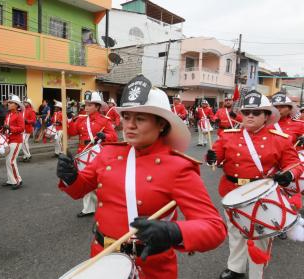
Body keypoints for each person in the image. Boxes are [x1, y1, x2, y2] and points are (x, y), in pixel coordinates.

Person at [57, 75, 227, 278]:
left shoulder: (178, 166)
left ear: (162, 124)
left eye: (140, 118)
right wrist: (70, 176)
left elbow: (214, 227)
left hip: (150, 266)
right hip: (102, 257)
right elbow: (79, 190)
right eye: (127, 117)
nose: (129, 125)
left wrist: (173, 231)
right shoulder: (108, 153)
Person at [206, 90, 303, 279]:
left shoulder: (279, 139)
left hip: (261, 195)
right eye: (246, 112)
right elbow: (216, 160)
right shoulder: (228, 135)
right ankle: (236, 268)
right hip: (232, 191)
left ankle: (256, 275)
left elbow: (295, 164)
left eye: (256, 112)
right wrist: (212, 159)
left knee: (260, 237)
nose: (250, 116)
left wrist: (289, 175)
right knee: (235, 232)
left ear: (266, 116)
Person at [67, 91, 118, 218]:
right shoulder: (80, 119)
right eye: (86, 105)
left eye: (90, 105)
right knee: (85, 181)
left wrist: (104, 135)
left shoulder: (105, 121)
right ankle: (88, 208)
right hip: (83, 154)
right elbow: (71, 132)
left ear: (97, 106)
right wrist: (69, 119)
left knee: (100, 182)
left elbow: (114, 137)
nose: (86, 107)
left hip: (97, 154)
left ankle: (109, 204)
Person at [3, 95, 25, 189]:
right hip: (9, 139)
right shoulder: (9, 115)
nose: (9, 104)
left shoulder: (19, 115)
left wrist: (10, 128)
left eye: (11, 103)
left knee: (11, 161)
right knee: (8, 161)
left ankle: (18, 180)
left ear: (16, 105)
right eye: (9, 102)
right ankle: (11, 180)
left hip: (16, 140)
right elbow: (6, 126)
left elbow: (21, 128)